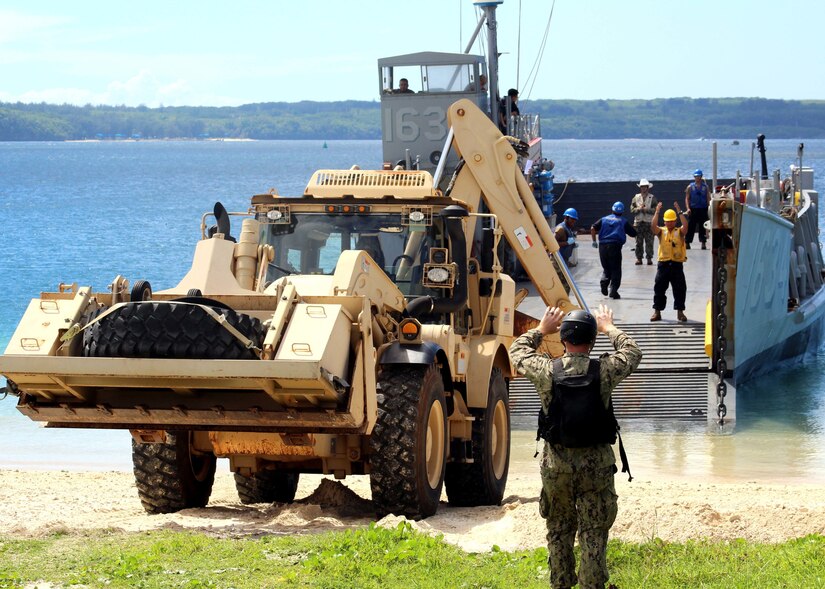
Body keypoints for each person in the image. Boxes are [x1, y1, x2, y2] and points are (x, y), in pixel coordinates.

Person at [509, 304, 642, 589]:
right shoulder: (605, 370)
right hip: (596, 466)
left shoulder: (546, 370)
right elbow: (633, 353)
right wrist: (610, 328)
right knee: (594, 530)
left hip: (556, 467)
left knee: (559, 528)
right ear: (592, 341)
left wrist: (541, 330)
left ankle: (561, 583)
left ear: (563, 338)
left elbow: (516, 352)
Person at [650, 201, 689, 322]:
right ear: (664, 221)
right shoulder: (661, 231)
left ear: (675, 221)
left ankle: (680, 312)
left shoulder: (680, 232)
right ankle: (657, 312)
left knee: (680, 288)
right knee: (659, 288)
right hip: (663, 265)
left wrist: (679, 211)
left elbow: (686, 226)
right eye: (667, 220)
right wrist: (657, 211)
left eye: (672, 220)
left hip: (677, 265)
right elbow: (653, 226)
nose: (669, 223)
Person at [590, 202, 637, 299]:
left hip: (602, 247)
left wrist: (594, 241)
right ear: (622, 212)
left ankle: (604, 282)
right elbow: (633, 233)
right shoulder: (623, 221)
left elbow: (592, 228)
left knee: (606, 268)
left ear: (612, 209)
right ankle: (613, 291)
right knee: (616, 269)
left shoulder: (603, 219)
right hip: (615, 247)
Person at [630, 179, 658, 265]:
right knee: (638, 242)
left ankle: (649, 258)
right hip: (638, 223)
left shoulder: (652, 198)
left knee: (649, 241)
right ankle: (639, 258)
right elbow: (631, 209)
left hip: (649, 223)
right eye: (642, 187)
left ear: (648, 188)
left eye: (645, 187)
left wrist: (647, 210)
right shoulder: (636, 197)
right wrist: (638, 209)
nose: (643, 188)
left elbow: (656, 209)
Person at [684, 169, 709, 249]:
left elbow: (708, 198)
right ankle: (687, 242)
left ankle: (703, 242)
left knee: (703, 226)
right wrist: (688, 208)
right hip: (693, 209)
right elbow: (687, 198)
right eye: (695, 176)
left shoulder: (705, 187)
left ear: (701, 177)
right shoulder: (690, 187)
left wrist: (709, 208)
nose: (697, 178)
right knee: (691, 226)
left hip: (703, 209)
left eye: (698, 176)